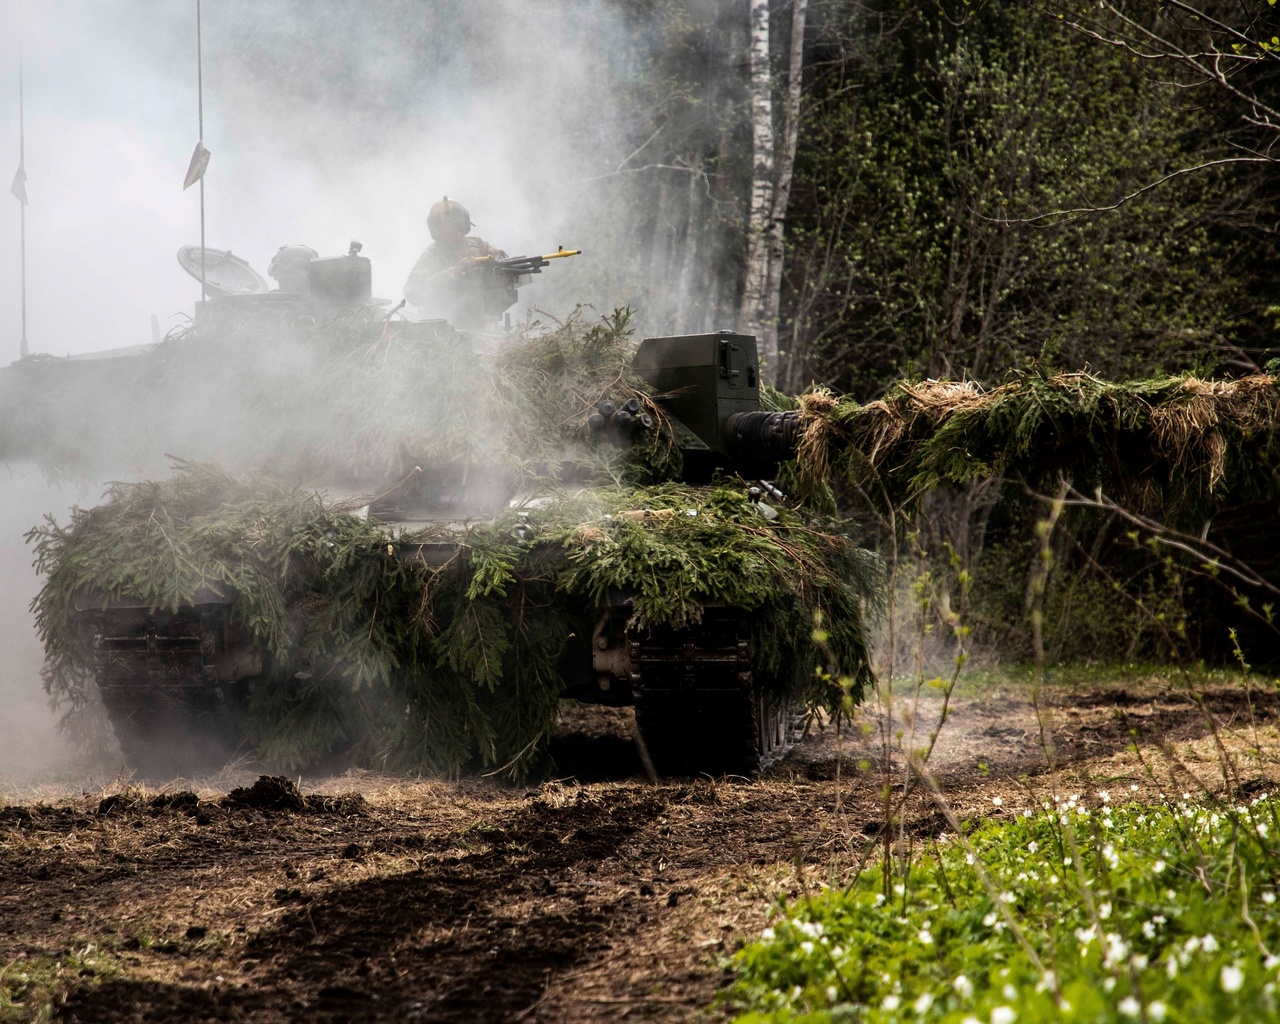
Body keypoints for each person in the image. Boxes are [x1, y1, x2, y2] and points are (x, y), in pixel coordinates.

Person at [403, 198, 512, 328]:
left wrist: (482, 263)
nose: (453, 232)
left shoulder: (478, 245)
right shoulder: (431, 256)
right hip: (442, 326)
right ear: (438, 231)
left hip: (480, 322)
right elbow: (413, 293)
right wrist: (447, 276)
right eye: (447, 228)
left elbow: (504, 260)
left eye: (456, 226)